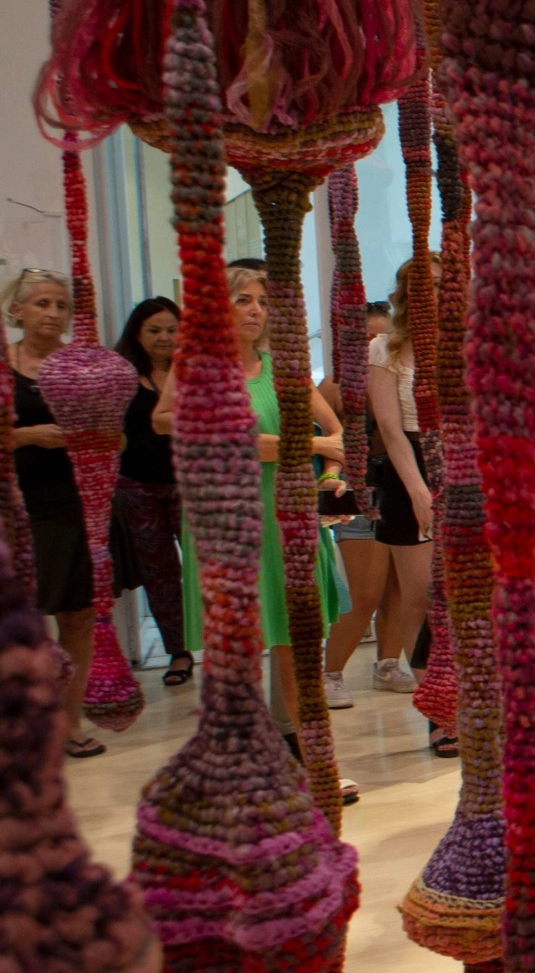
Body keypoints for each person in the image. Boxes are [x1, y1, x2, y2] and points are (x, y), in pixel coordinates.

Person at [163, 262, 350, 785]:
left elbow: (337, 434)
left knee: (298, 644)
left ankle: (314, 760)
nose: (256, 311)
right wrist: (312, 445)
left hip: (287, 515)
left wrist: (328, 473)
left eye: (263, 302)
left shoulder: (284, 369)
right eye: (243, 299)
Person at [324, 256, 434, 709]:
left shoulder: (467, 345)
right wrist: (419, 491)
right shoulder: (382, 351)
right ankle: (432, 691)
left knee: (459, 591)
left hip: (458, 467)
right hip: (399, 473)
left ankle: (458, 682)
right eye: (421, 286)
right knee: (405, 593)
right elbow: (388, 429)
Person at [8, 269, 104, 757]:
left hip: (73, 502)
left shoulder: (81, 369)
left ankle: (69, 722)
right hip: (14, 504)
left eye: (61, 306)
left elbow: (114, 437)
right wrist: (30, 436)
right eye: (42, 303)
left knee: (78, 614)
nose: (52, 313)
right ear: (17, 310)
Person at [108, 295, 191, 688]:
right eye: (154, 330)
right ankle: (178, 651)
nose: (164, 338)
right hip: (138, 488)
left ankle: (222, 645)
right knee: (160, 575)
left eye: (172, 329)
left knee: (207, 567)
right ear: (137, 335)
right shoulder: (121, 377)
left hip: (192, 485)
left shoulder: (196, 372)